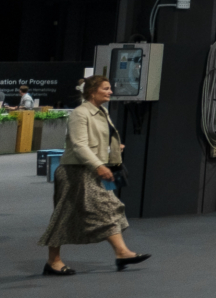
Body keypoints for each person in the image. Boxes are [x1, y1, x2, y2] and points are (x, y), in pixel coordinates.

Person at [39, 75, 147, 275]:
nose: (110, 92)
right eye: (106, 88)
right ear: (91, 92)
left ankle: (122, 252)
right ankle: (54, 261)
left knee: (106, 207)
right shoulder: (80, 113)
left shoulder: (102, 111)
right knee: (68, 215)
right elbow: (79, 145)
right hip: (76, 172)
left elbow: (95, 140)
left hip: (92, 170)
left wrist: (112, 149)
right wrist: (98, 165)